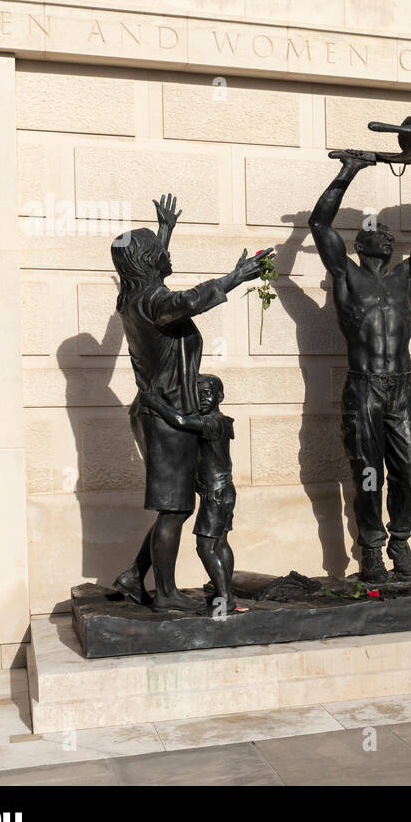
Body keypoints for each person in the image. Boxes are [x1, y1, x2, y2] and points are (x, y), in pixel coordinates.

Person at [308, 151, 411, 583]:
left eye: (391, 235)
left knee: (407, 471)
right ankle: (371, 548)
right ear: (360, 244)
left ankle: (402, 540)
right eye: (379, 232)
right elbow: (319, 224)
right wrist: (350, 170)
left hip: (400, 389)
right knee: (368, 473)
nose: (389, 238)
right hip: (364, 388)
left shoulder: (405, 277)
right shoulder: (345, 276)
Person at [111, 194, 268, 610]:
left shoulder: (132, 297)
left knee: (173, 506)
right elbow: (185, 301)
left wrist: (163, 231)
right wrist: (236, 277)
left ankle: (132, 576)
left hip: (156, 411)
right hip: (168, 416)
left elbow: (153, 276)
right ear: (148, 262)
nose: (167, 254)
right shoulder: (153, 303)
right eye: (159, 252)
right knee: (174, 510)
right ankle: (164, 594)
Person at [139, 374, 243, 615]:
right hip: (220, 493)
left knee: (206, 546)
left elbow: (180, 422)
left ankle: (225, 598)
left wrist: (155, 404)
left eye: (208, 393)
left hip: (215, 494)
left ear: (220, 396)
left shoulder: (215, 422)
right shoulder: (213, 420)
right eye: (198, 393)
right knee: (219, 543)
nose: (202, 398)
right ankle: (227, 594)